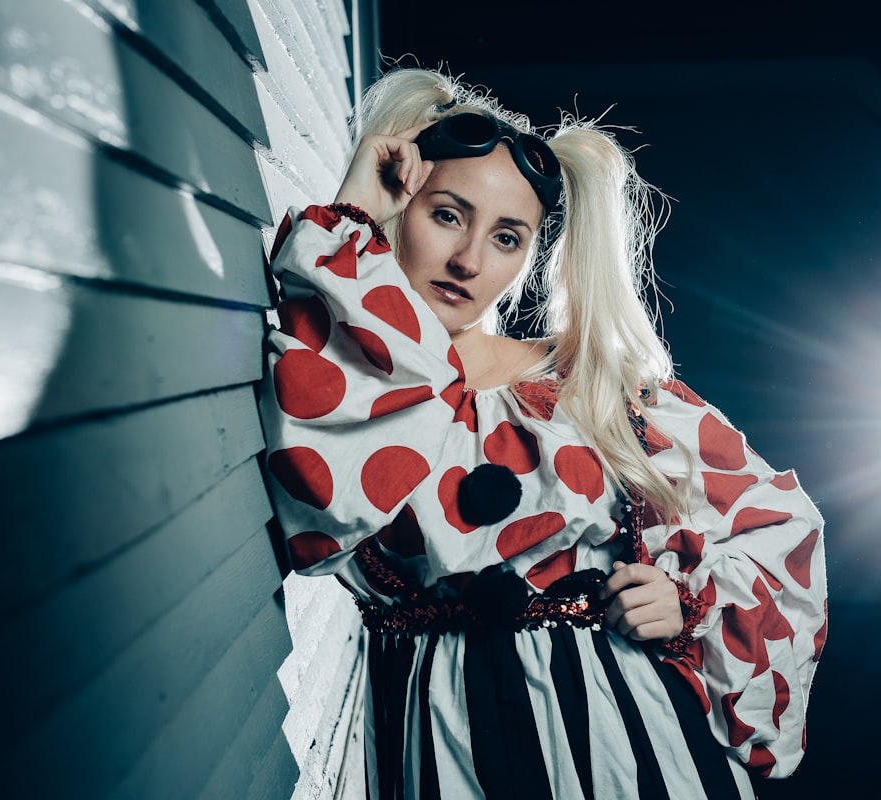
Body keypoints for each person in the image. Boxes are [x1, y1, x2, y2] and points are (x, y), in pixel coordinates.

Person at [259, 67, 826, 799]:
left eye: (506, 237)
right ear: (402, 201)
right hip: (437, 740)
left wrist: (685, 598)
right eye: (446, 215)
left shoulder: (590, 387)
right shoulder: (354, 371)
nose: (469, 261)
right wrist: (355, 212)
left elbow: (782, 524)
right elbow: (320, 497)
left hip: (626, 739)